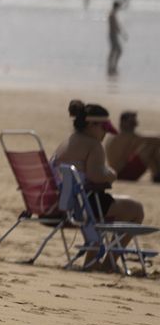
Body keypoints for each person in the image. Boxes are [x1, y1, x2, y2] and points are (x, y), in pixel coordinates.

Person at [52, 102, 146, 255]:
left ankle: (93, 259)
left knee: (107, 207)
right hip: (81, 206)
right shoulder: (93, 145)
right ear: (92, 125)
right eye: (104, 129)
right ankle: (107, 261)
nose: (105, 134)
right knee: (136, 210)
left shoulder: (67, 142)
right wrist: (111, 174)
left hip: (60, 204)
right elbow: (96, 176)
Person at [106, 112, 160, 182]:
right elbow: (154, 139)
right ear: (124, 122)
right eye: (132, 123)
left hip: (120, 172)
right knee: (149, 149)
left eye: (134, 123)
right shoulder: (124, 136)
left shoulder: (118, 136)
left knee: (151, 147)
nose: (134, 125)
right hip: (121, 174)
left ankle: (157, 175)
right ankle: (157, 175)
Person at [108, 1, 126, 77]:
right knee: (118, 50)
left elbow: (116, 26)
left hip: (113, 34)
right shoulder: (112, 14)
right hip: (113, 35)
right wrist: (122, 34)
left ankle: (111, 66)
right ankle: (113, 66)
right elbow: (115, 26)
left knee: (114, 50)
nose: (119, 8)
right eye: (119, 7)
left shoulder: (112, 14)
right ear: (116, 6)